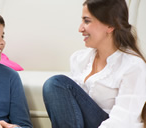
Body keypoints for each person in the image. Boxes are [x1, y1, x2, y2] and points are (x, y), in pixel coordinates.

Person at [43, 0, 146, 128]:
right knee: (54, 85)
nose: (80, 28)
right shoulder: (79, 59)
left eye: (87, 21)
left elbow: (124, 120)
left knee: (56, 83)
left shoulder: (133, 65)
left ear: (110, 25)